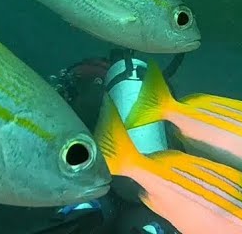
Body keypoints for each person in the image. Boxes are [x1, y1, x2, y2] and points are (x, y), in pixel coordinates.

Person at [27, 50, 186, 234]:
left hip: (98, 186)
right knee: (151, 221)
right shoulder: (152, 88)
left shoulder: (87, 75)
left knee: (84, 212)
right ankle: (152, 228)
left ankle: (82, 212)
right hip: (150, 193)